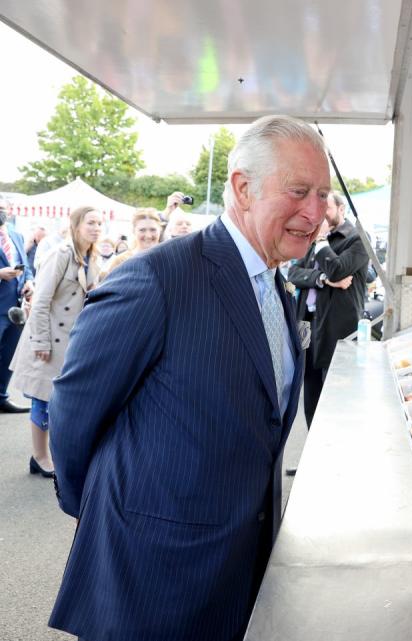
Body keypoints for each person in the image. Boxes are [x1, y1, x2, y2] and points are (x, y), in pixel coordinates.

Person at [47, 115, 327, 641]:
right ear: (243, 188)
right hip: (152, 579)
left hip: (238, 567)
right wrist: (114, 516)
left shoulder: (275, 286)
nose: (315, 213)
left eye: (322, 195)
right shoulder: (156, 278)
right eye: (298, 191)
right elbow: (75, 411)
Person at [10, 206, 102, 478]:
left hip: (72, 342)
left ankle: (49, 454)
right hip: (48, 338)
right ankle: (40, 457)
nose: (96, 228)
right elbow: (40, 301)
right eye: (90, 223)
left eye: (99, 223)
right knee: (43, 399)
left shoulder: (90, 256)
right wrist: (41, 342)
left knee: (59, 402)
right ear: (76, 225)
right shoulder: (61, 254)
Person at [289, 191, 368, 428]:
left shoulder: (356, 240)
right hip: (305, 322)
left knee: (333, 390)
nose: (321, 215)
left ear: (341, 209)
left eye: (328, 209)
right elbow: (294, 273)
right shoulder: (310, 238)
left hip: (335, 325)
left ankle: (330, 451)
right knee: (308, 383)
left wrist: (322, 242)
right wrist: (321, 278)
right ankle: (310, 449)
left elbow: (338, 270)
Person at [0, 201, 33, 413]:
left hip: (16, 308)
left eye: (2, 207)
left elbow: (27, 267)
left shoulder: (16, 234)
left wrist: (29, 282)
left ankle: (1, 397)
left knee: (9, 355)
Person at [99, 208, 162, 281]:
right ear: (133, 231)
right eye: (142, 230)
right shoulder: (121, 260)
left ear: (160, 230)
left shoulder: (168, 258)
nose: (148, 235)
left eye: (153, 230)